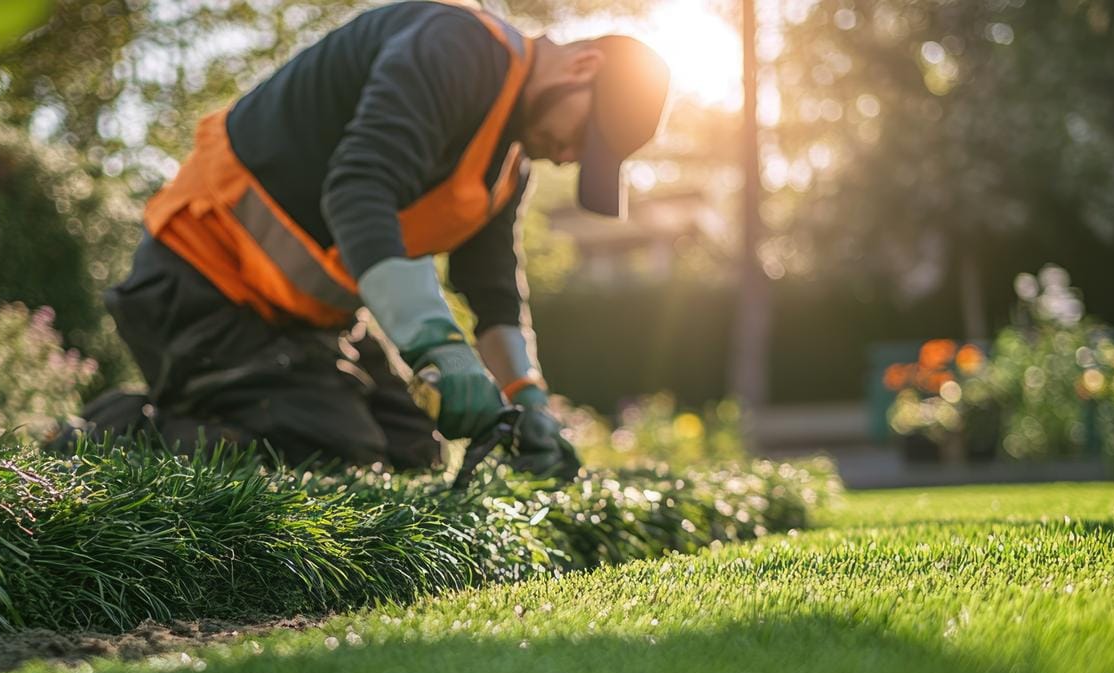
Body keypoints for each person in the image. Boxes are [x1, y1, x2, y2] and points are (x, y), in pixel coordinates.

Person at [76, 0, 670, 476]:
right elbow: (359, 189)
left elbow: (492, 291)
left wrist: (528, 399)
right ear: (582, 67)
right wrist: (437, 344)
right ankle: (114, 433)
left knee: (415, 453)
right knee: (337, 457)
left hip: (303, 321)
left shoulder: (509, 167)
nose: (569, 159)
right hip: (197, 286)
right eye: (582, 140)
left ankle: (222, 413)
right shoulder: (457, 45)